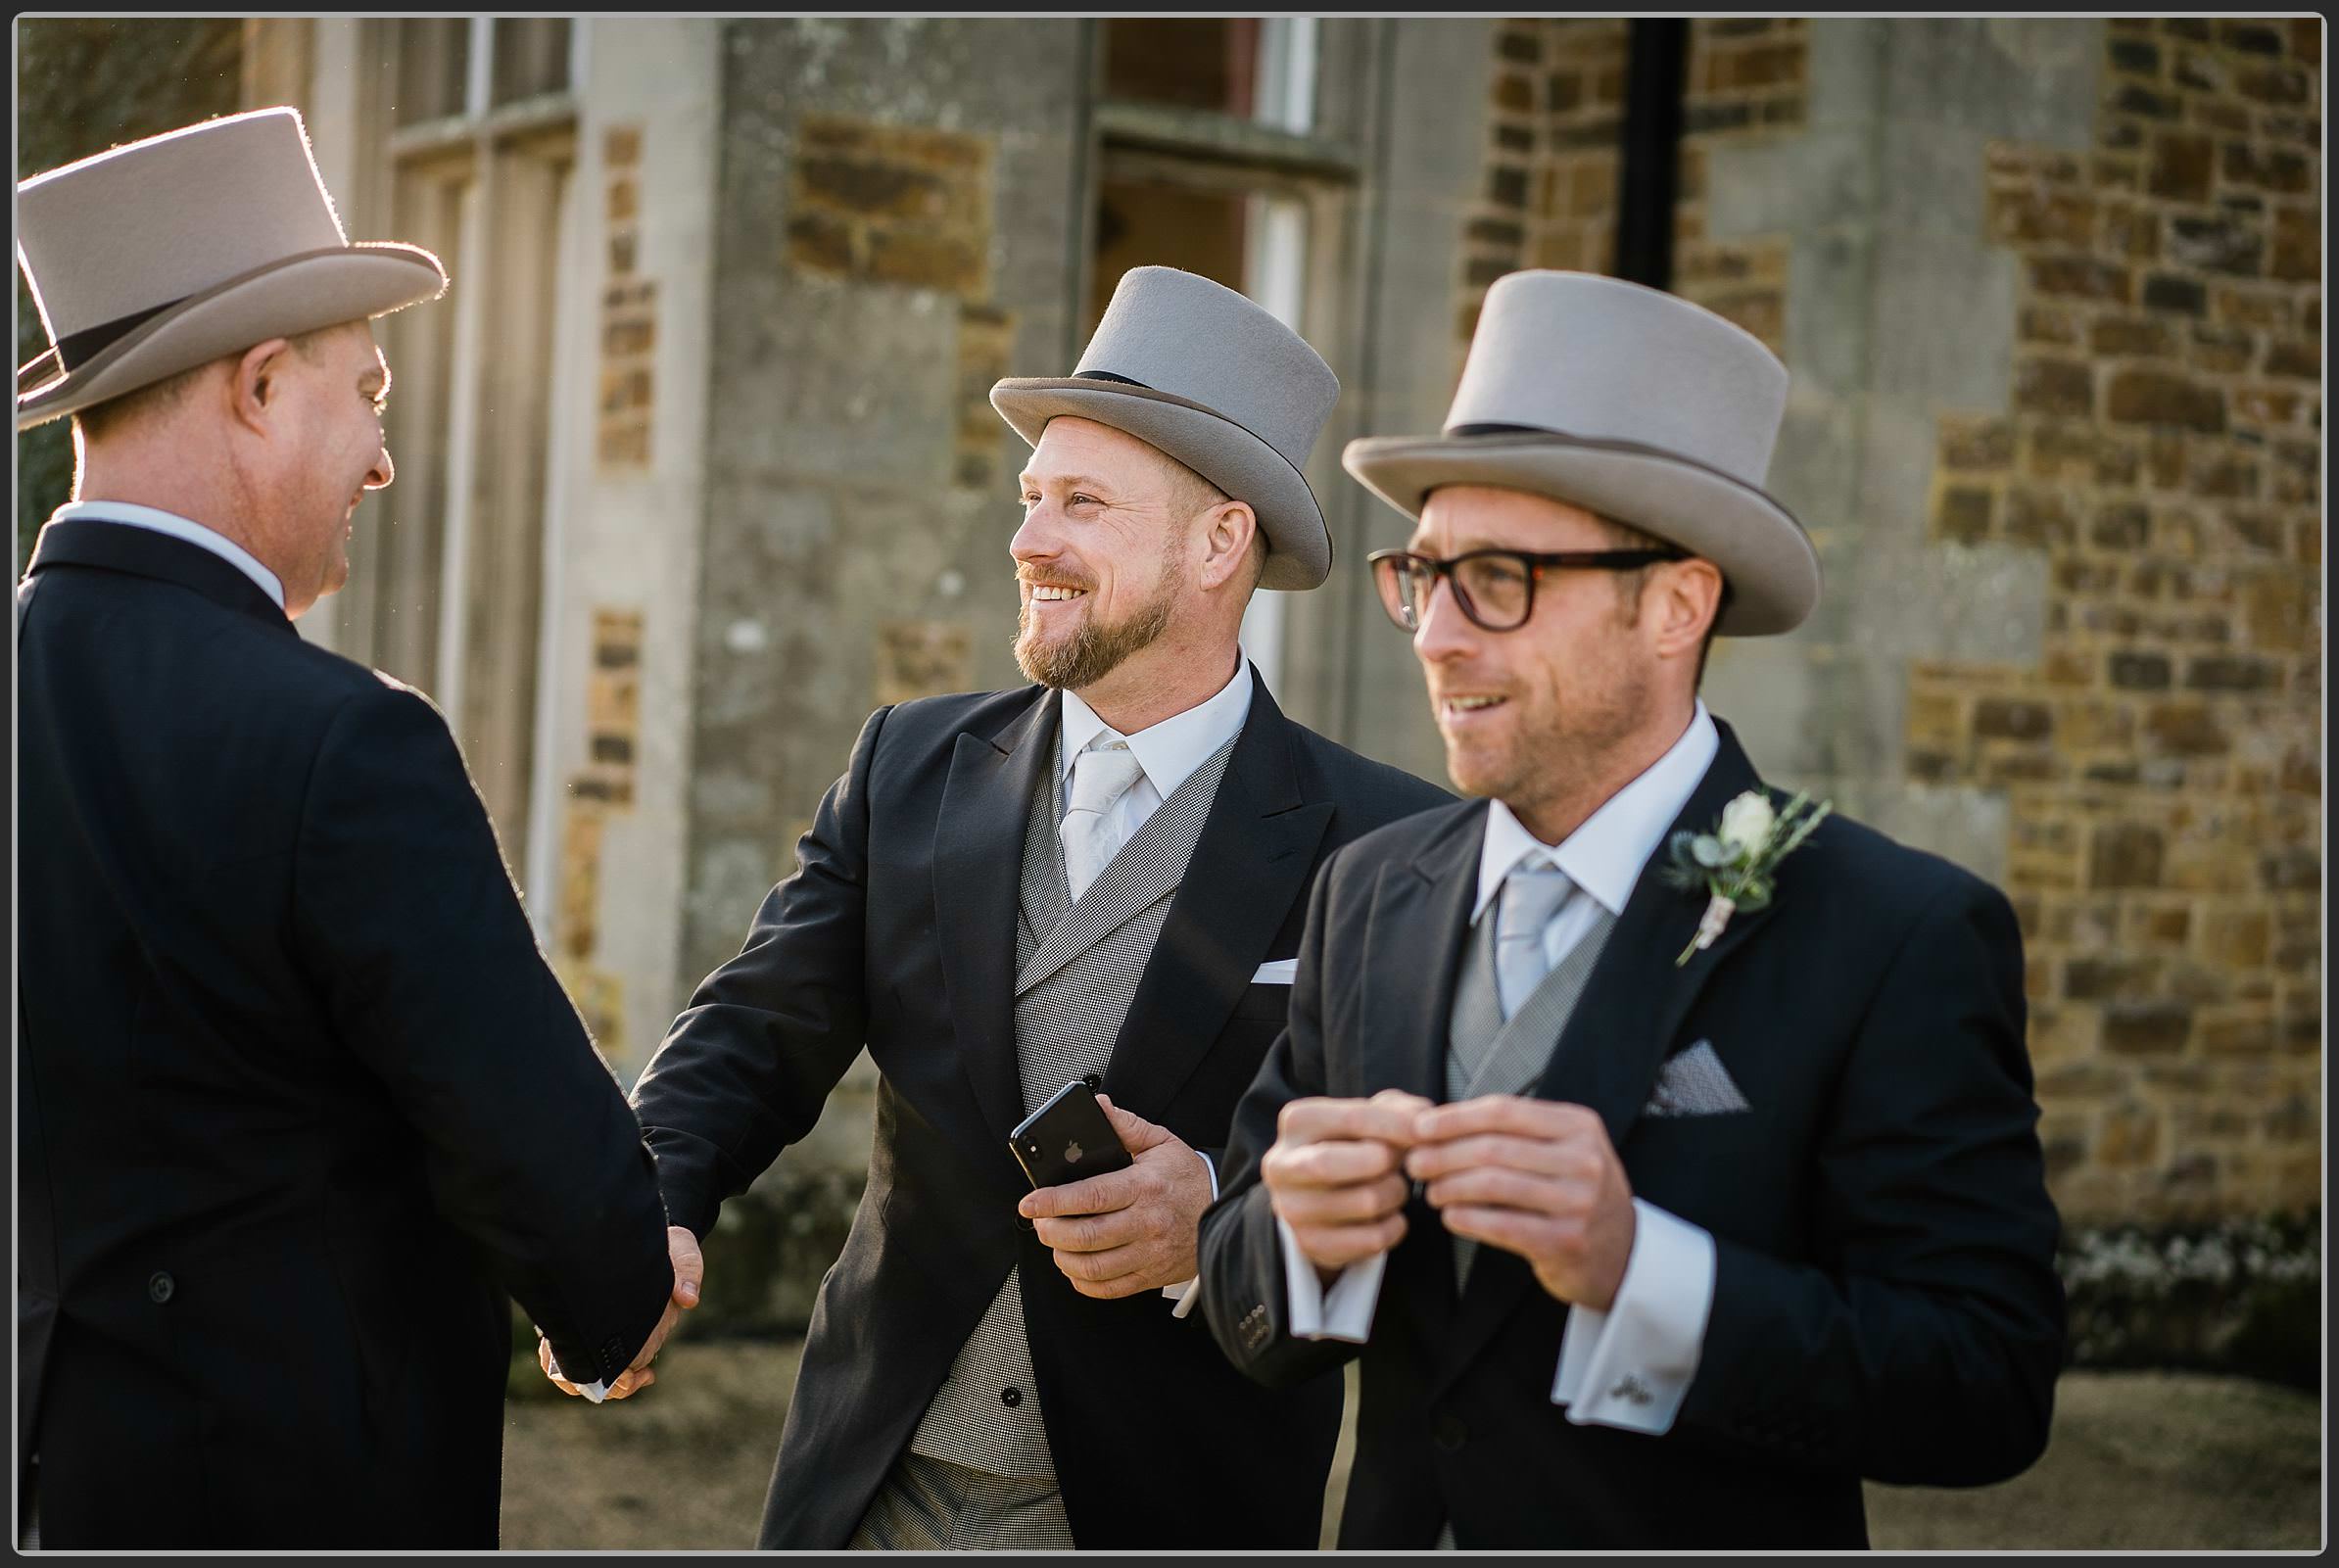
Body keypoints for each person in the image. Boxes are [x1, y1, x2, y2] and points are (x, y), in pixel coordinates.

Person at [1197, 269, 2066, 1549]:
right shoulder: (1371, 888)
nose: (1435, 634)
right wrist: (1301, 1241)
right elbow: (1238, 1275)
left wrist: (1641, 1272)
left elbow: (1986, 1384)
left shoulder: (1897, 936)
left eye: (1497, 576)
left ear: (1675, 604)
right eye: (1423, 573)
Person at [583, 266, 1449, 1548]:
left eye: (1082, 505)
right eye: (1033, 496)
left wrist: (1216, 1209)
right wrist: (646, 1204)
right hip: (871, 1492)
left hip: (1162, 1508)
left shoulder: (1385, 843)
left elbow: (1413, 1188)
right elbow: (754, 1027)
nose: (1028, 540)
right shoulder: (907, 767)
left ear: (1220, 541)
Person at [16, 108, 689, 1550]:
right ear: (261, 386)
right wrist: (621, 1291)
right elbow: (559, 1186)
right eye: (368, 392)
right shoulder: (344, 745)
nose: (381, 460)